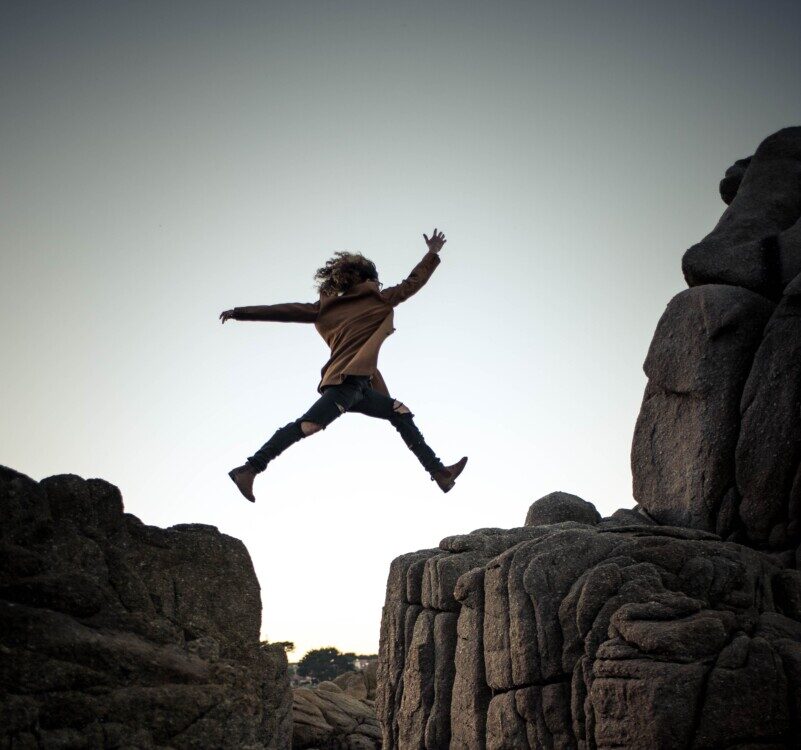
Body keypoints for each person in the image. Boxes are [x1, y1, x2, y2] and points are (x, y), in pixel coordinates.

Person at [219, 228, 467, 502]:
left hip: (361, 386)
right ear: (368, 279)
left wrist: (240, 312)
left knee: (400, 412)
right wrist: (431, 253)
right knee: (308, 425)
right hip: (344, 384)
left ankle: (440, 473)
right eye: (376, 279)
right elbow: (412, 283)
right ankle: (250, 468)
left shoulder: (326, 308)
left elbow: (282, 310)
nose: (379, 283)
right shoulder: (377, 299)